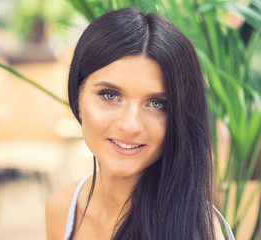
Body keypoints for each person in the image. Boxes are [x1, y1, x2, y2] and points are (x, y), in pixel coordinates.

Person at [46, 8, 234, 240]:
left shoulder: (197, 231)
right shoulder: (62, 209)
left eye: (157, 104)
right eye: (110, 95)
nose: (130, 125)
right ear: (77, 98)